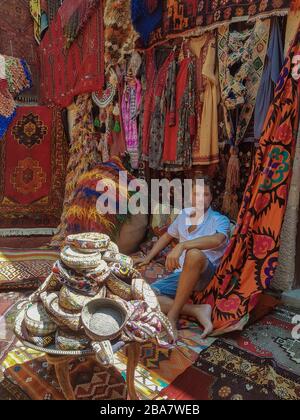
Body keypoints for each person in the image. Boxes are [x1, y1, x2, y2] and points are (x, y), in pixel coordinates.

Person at [134, 177, 230, 339]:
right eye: (196, 194)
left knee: (193, 253)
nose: (200, 198)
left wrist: (182, 246)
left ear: (211, 198)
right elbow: (167, 236)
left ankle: (173, 315)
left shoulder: (219, 220)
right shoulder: (184, 215)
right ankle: (197, 310)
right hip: (181, 274)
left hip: (205, 274)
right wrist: (148, 258)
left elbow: (217, 239)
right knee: (144, 294)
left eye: (205, 194)